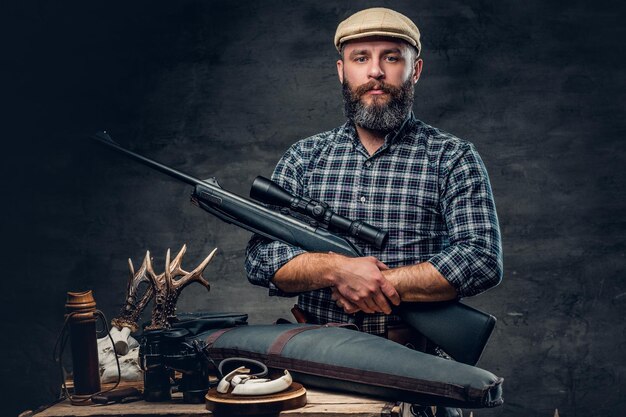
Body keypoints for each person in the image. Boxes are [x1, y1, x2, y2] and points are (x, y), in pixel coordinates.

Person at [245, 7, 502, 339]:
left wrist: (379, 283)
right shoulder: (303, 157)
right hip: (316, 353)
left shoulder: (452, 157)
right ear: (342, 70)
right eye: (361, 58)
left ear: (416, 70)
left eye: (392, 58)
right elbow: (260, 257)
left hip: (416, 360)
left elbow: (481, 258)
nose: (376, 72)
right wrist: (336, 269)